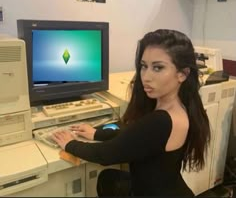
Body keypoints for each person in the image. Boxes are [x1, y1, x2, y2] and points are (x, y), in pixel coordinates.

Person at [51, 29, 211, 196]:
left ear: (182, 74)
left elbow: (104, 155)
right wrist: (96, 134)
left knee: (109, 178)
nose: (146, 77)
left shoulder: (161, 121)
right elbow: (135, 136)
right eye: (144, 66)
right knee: (109, 178)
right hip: (169, 188)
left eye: (158, 68)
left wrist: (70, 143)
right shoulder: (181, 107)